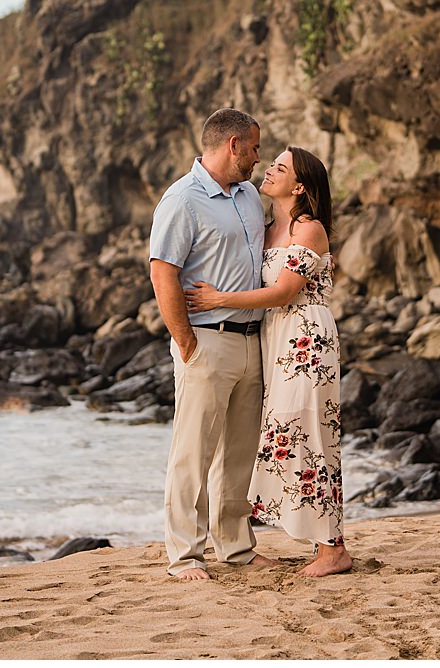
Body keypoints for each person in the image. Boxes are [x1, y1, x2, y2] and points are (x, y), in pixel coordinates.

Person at [185, 146, 351, 577]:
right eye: (270, 161)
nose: (268, 169)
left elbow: (283, 292)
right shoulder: (267, 224)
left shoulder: (308, 229)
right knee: (286, 434)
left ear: (298, 185)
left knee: (310, 433)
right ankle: (320, 541)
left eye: (279, 166)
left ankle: (332, 549)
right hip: (274, 339)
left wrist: (219, 300)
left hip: (305, 339)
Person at [148, 107, 275, 581]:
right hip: (207, 340)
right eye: (255, 148)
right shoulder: (181, 200)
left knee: (239, 451)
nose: (259, 157)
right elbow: (163, 270)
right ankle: (184, 554)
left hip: (251, 338)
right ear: (233, 145)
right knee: (193, 451)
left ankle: (236, 546)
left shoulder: (247, 195)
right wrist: (185, 341)